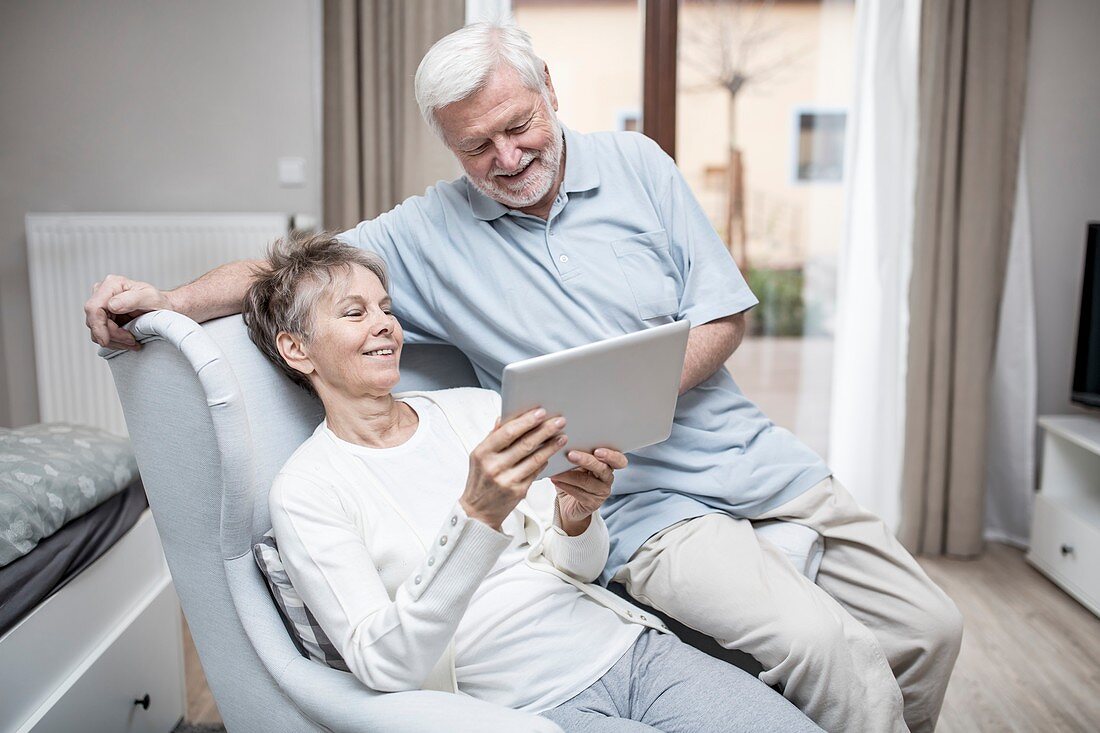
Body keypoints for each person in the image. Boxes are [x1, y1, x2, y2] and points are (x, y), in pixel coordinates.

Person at [84, 20, 961, 733]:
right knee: (827, 650)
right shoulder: (424, 234)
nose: (505, 157)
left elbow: (726, 314)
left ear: (550, 93)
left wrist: (637, 393)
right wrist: (167, 299)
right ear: (446, 146)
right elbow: (289, 277)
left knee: (930, 629)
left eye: (519, 127)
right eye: (476, 147)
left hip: (757, 458)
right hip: (643, 506)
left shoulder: (639, 165)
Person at [242, 232, 820, 731]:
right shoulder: (308, 491)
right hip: (527, 710)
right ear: (297, 350)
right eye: (354, 313)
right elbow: (383, 664)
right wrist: (477, 516)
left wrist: (576, 515)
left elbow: (580, 567)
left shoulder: (473, 410)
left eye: (386, 308)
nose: (386, 325)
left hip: (629, 649)